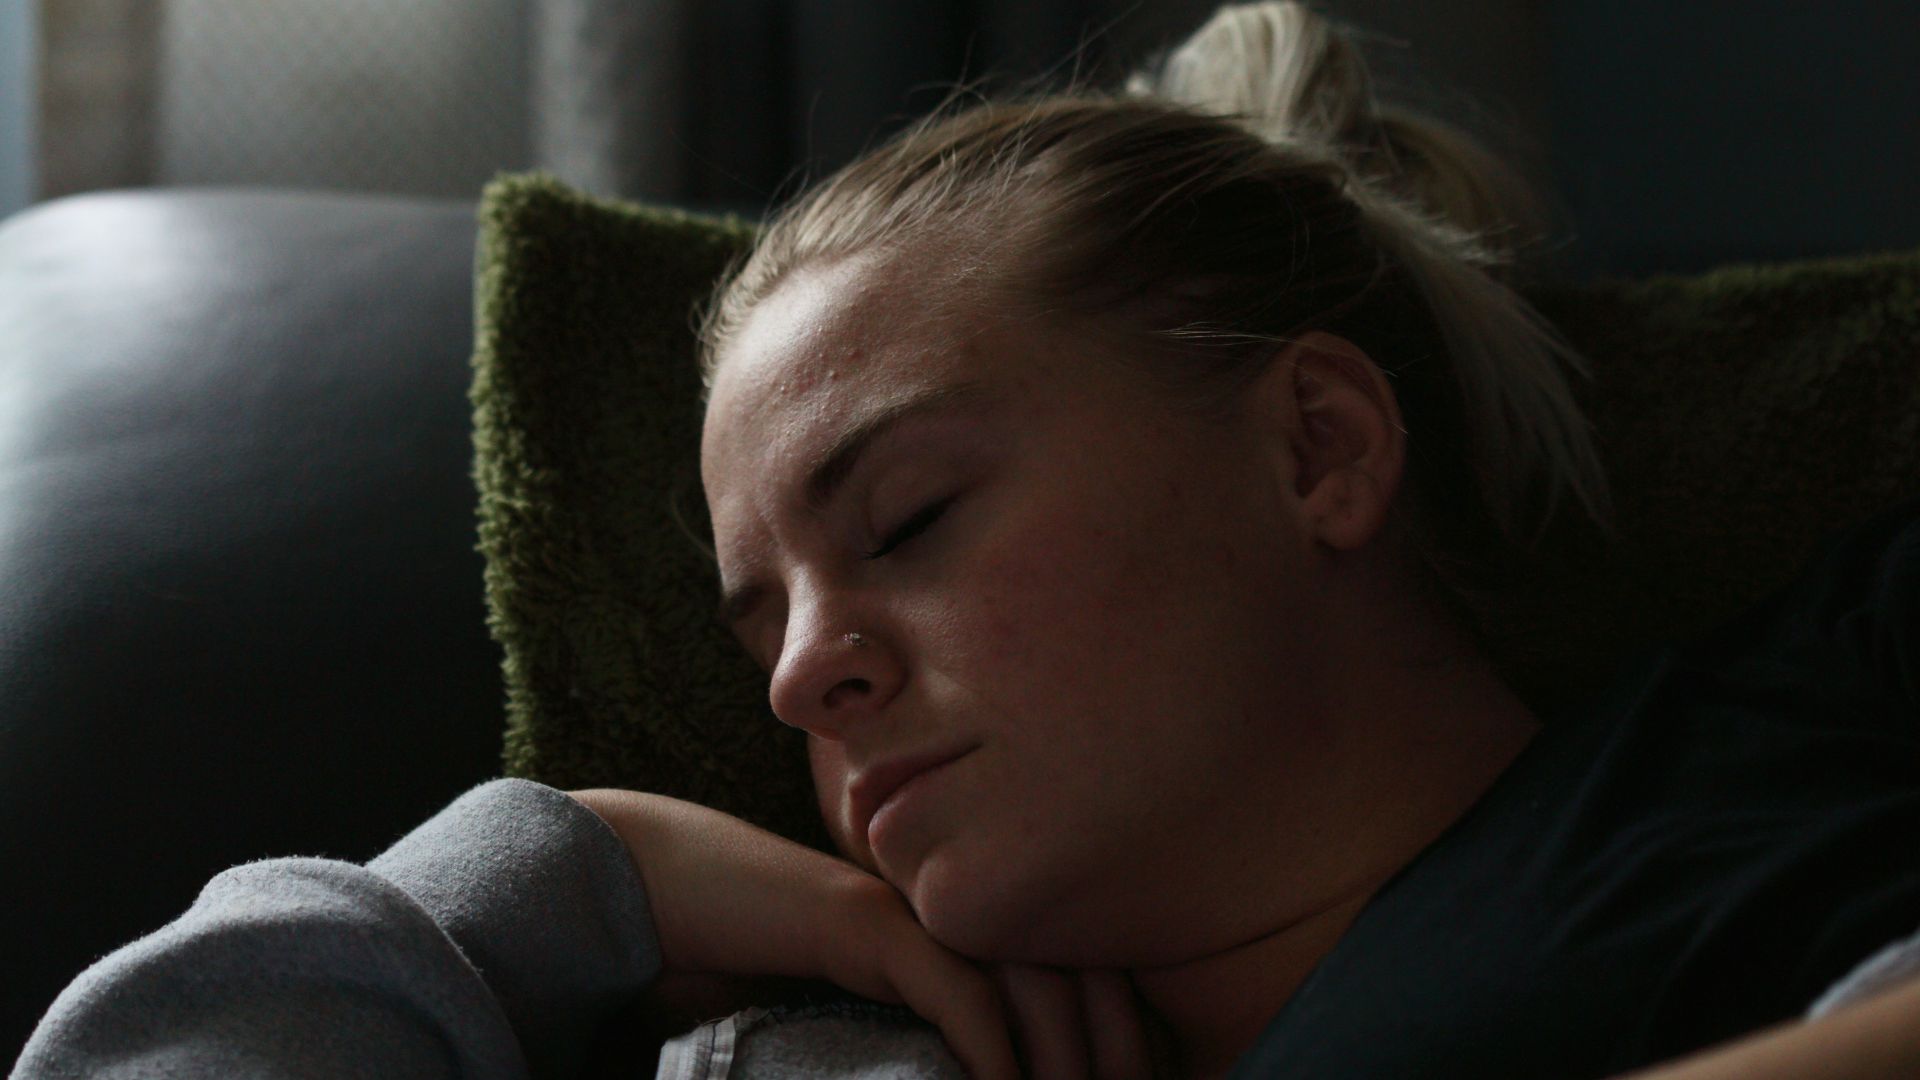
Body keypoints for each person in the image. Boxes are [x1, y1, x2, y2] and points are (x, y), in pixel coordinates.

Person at [13, 3, 1920, 1079]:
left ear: (1318, 449)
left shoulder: (1781, 725)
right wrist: (579, 868)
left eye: (906, 515)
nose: (793, 675)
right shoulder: (841, 1066)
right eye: (759, 615)